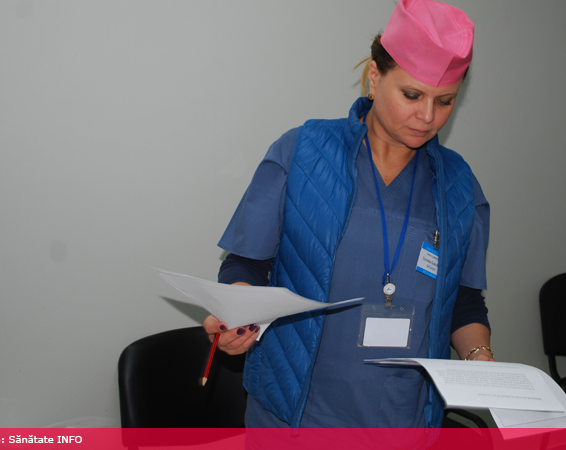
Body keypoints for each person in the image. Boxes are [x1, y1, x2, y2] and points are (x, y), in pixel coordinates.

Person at [203, 0, 492, 428]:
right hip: (294, 417)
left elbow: (464, 302)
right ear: (375, 77)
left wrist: (478, 356)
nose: (428, 117)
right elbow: (246, 263)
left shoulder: (459, 186)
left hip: (404, 420)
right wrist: (235, 315)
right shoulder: (302, 153)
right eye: (412, 95)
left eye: (445, 101)